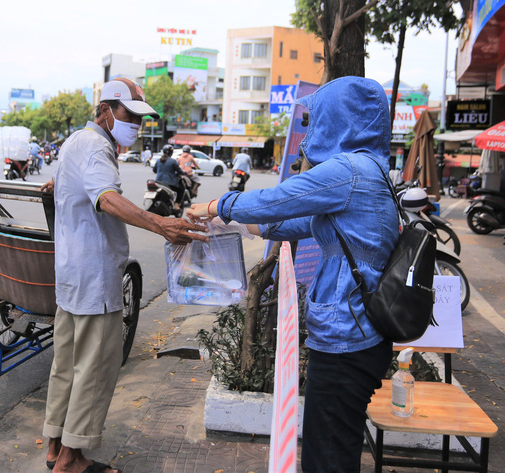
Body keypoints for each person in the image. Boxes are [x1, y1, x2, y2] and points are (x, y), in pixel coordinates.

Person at [187, 76, 398, 473]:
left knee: (326, 455)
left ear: (340, 117)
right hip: (360, 333)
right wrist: (234, 223)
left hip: (346, 339)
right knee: (337, 444)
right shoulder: (370, 172)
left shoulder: (348, 170)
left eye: (317, 117)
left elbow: (279, 198)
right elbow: (290, 221)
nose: (310, 129)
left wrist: (217, 205)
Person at [40, 77, 207, 473]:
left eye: (139, 117)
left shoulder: (75, 142)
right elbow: (106, 198)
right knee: (95, 368)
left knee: (66, 362)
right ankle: (72, 458)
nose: (136, 123)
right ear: (108, 109)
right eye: (130, 114)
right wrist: (159, 223)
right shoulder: (97, 145)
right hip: (94, 274)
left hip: (70, 272)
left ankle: (53, 446)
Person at [153, 144, 186, 210]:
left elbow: (154, 170)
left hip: (158, 182)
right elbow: (179, 171)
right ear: (171, 152)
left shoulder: (159, 160)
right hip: (170, 183)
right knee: (181, 189)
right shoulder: (173, 161)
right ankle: (176, 205)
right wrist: (184, 173)